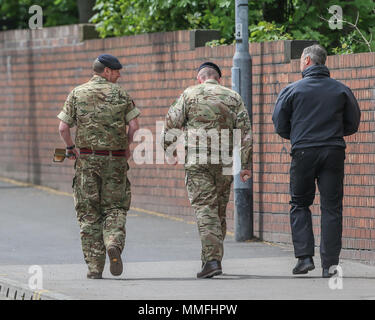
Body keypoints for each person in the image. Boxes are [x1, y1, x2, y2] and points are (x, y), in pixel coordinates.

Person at [272, 44, 361, 278]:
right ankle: (330, 265)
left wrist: (299, 135)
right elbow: (353, 123)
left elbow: (280, 124)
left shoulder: (291, 91)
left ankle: (304, 258)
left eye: (301, 60)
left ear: (308, 61)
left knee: (300, 203)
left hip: (303, 152)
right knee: (332, 208)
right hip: (333, 151)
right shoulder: (341, 90)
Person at [162, 62, 252, 278]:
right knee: (218, 211)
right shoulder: (233, 97)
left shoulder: (189, 94)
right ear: (218, 79)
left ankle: (211, 261)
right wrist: (246, 165)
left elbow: (171, 122)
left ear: (199, 78)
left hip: (198, 160)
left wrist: (170, 150)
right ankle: (212, 260)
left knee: (205, 209)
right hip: (225, 161)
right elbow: (246, 133)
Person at [57, 54, 140, 279]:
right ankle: (113, 241)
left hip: (87, 160)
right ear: (105, 71)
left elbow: (63, 128)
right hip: (114, 161)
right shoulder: (122, 94)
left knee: (89, 213)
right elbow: (134, 126)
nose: (119, 75)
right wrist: (126, 146)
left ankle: (94, 268)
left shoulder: (77, 93)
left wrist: (70, 148)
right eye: (116, 72)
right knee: (115, 207)